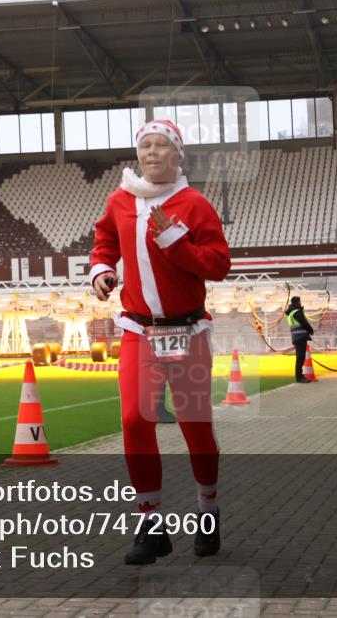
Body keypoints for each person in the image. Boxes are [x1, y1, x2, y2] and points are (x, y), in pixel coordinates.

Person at [90, 119, 231, 565]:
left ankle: (207, 510)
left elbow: (219, 265)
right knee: (134, 420)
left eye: (161, 145)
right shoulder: (120, 199)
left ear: (178, 155)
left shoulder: (194, 204)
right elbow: (104, 240)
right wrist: (101, 270)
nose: (151, 152)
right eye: (145, 145)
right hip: (139, 331)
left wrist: (175, 242)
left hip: (187, 331)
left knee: (195, 426)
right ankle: (151, 525)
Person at [285, 296, 315, 383]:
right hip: (300, 338)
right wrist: (311, 330)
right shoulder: (297, 312)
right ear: (297, 302)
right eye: (299, 302)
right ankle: (299, 377)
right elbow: (304, 323)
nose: (300, 303)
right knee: (300, 358)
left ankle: (300, 377)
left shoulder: (290, 313)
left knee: (300, 358)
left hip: (296, 337)